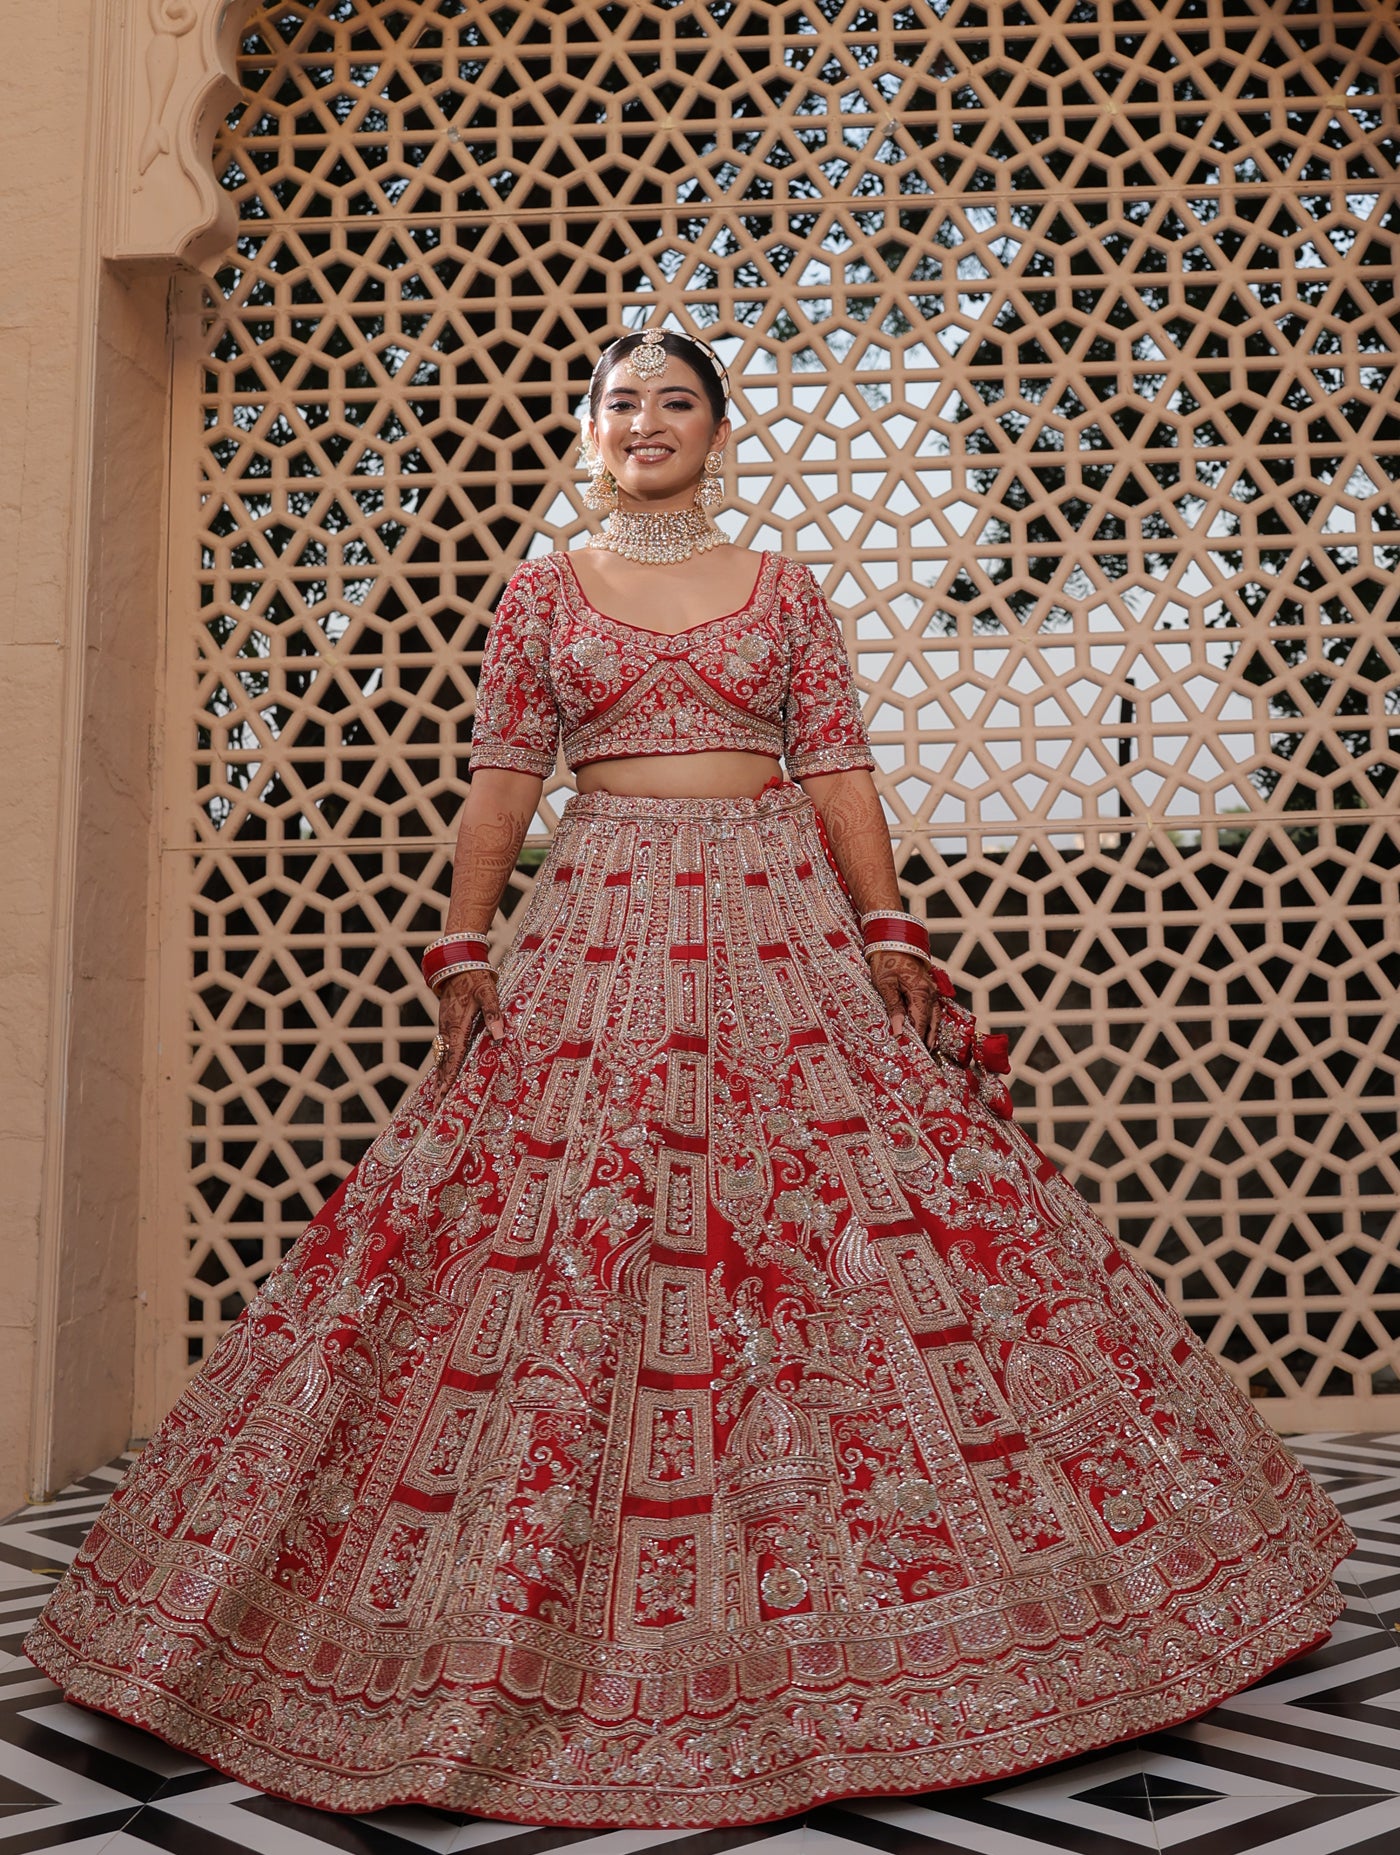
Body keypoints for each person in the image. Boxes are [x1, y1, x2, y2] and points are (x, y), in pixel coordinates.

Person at [27, 326, 1352, 1830]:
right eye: (619, 403)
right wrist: (462, 945)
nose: (644, 422)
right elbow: (503, 777)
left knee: (839, 1237)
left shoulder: (784, 590)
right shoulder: (544, 592)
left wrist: (889, 929)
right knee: (568, 1241)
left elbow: (838, 766)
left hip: (781, 920)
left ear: (720, 433)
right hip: (600, 921)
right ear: (589, 431)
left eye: (674, 402)